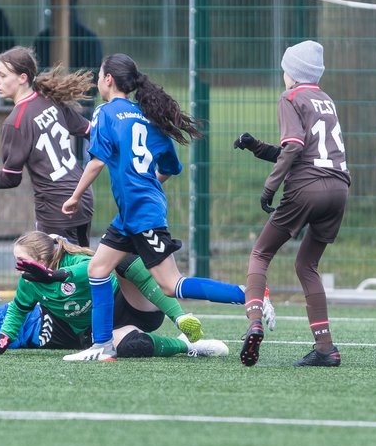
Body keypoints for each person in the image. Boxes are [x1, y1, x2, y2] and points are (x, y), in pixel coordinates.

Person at [59, 53, 246, 362]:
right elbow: (171, 166)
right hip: (131, 215)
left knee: (172, 285)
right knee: (98, 268)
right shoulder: (146, 116)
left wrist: (75, 196)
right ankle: (102, 346)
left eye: (99, 75)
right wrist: (151, 183)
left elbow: (96, 162)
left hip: (142, 214)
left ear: (108, 80)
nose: (96, 81)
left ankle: (248, 295)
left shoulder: (105, 112)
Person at [233, 40, 349, 368]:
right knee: (306, 265)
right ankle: (325, 347)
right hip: (339, 187)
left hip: (307, 188)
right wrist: (257, 147)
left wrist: (270, 187)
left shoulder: (291, 96)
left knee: (261, 253)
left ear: (293, 74)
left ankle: (254, 321)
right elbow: (299, 149)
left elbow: (295, 147)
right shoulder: (325, 99)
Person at [0, 231, 224, 358]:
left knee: (122, 257)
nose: (17, 266)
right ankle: (188, 346)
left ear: (40, 258)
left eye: (20, 259)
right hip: (100, 329)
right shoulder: (29, 283)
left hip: (131, 304)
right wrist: (1, 343)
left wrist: (57, 276)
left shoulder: (70, 260)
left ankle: (180, 317)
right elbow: (17, 310)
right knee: (132, 348)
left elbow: (94, 267)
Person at [0, 47, 95, 246]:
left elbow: (11, 177)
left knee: (50, 273)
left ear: (22, 77)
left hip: (56, 208)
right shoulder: (51, 100)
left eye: (2, 75)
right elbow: (90, 131)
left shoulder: (15, 122)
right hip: (82, 196)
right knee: (80, 267)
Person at [33, 0, 103, 81]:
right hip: (49, 88)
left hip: (81, 89)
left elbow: (93, 72)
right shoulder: (42, 39)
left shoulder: (89, 40)